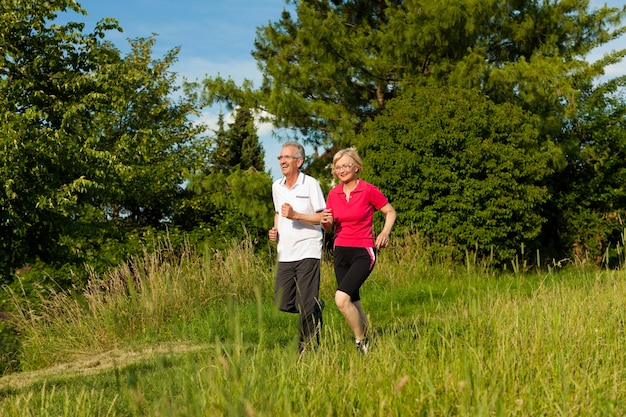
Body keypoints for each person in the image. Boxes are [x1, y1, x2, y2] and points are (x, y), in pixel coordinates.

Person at [321, 147, 396, 354]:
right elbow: (329, 225)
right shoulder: (333, 193)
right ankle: (368, 343)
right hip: (341, 251)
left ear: (356, 167)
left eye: (346, 165)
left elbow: (390, 211)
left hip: (363, 251)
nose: (341, 170)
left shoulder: (368, 190)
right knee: (354, 300)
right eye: (338, 167)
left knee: (341, 299)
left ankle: (360, 341)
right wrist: (325, 223)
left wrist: (385, 232)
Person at [269, 142, 326, 353]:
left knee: (305, 302)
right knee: (282, 301)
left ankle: (307, 347)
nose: (282, 161)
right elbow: (278, 212)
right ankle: (315, 307)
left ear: (299, 161)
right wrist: (275, 231)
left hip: (308, 248)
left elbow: (323, 217)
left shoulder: (311, 184)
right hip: (286, 251)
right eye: (280, 157)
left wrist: (297, 216)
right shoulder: (277, 186)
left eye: (287, 157)